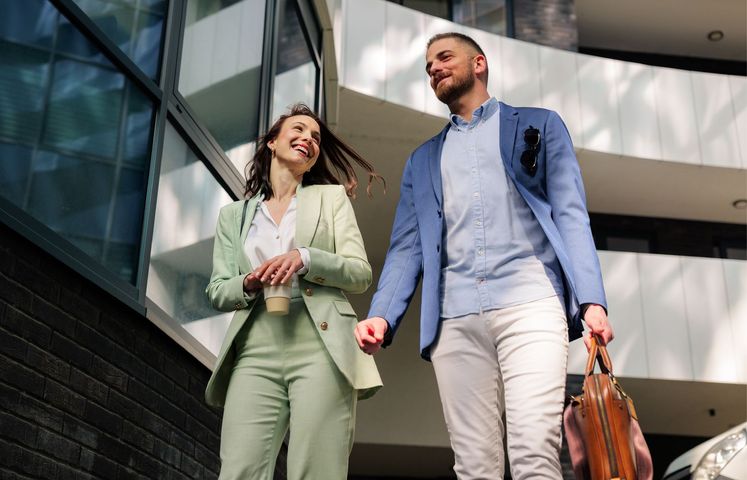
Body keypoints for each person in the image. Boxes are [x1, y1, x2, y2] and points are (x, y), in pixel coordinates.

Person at [354, 33, 614, 479]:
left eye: (444, 57)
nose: (433, 67)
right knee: (474, 467)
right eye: (428, 65)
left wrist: (591, 299)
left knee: (535, 453)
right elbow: (407, 247)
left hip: (532, 305)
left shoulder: (541, 124)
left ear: (479, 63)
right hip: (454, 320)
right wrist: (382, 314)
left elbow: (571, 215)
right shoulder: (422, 161)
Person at [205, 103, 383, 480]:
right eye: (299, 130)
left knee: (316, 470)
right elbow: (218, 290)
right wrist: (249, 282)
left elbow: (359, 273)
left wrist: (305, 258)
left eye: (316, 137)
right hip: (255, 349)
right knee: (239, 470)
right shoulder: (233, 216)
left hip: (320, 346)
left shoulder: (330, 200)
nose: (309, 139)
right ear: (272, 142)